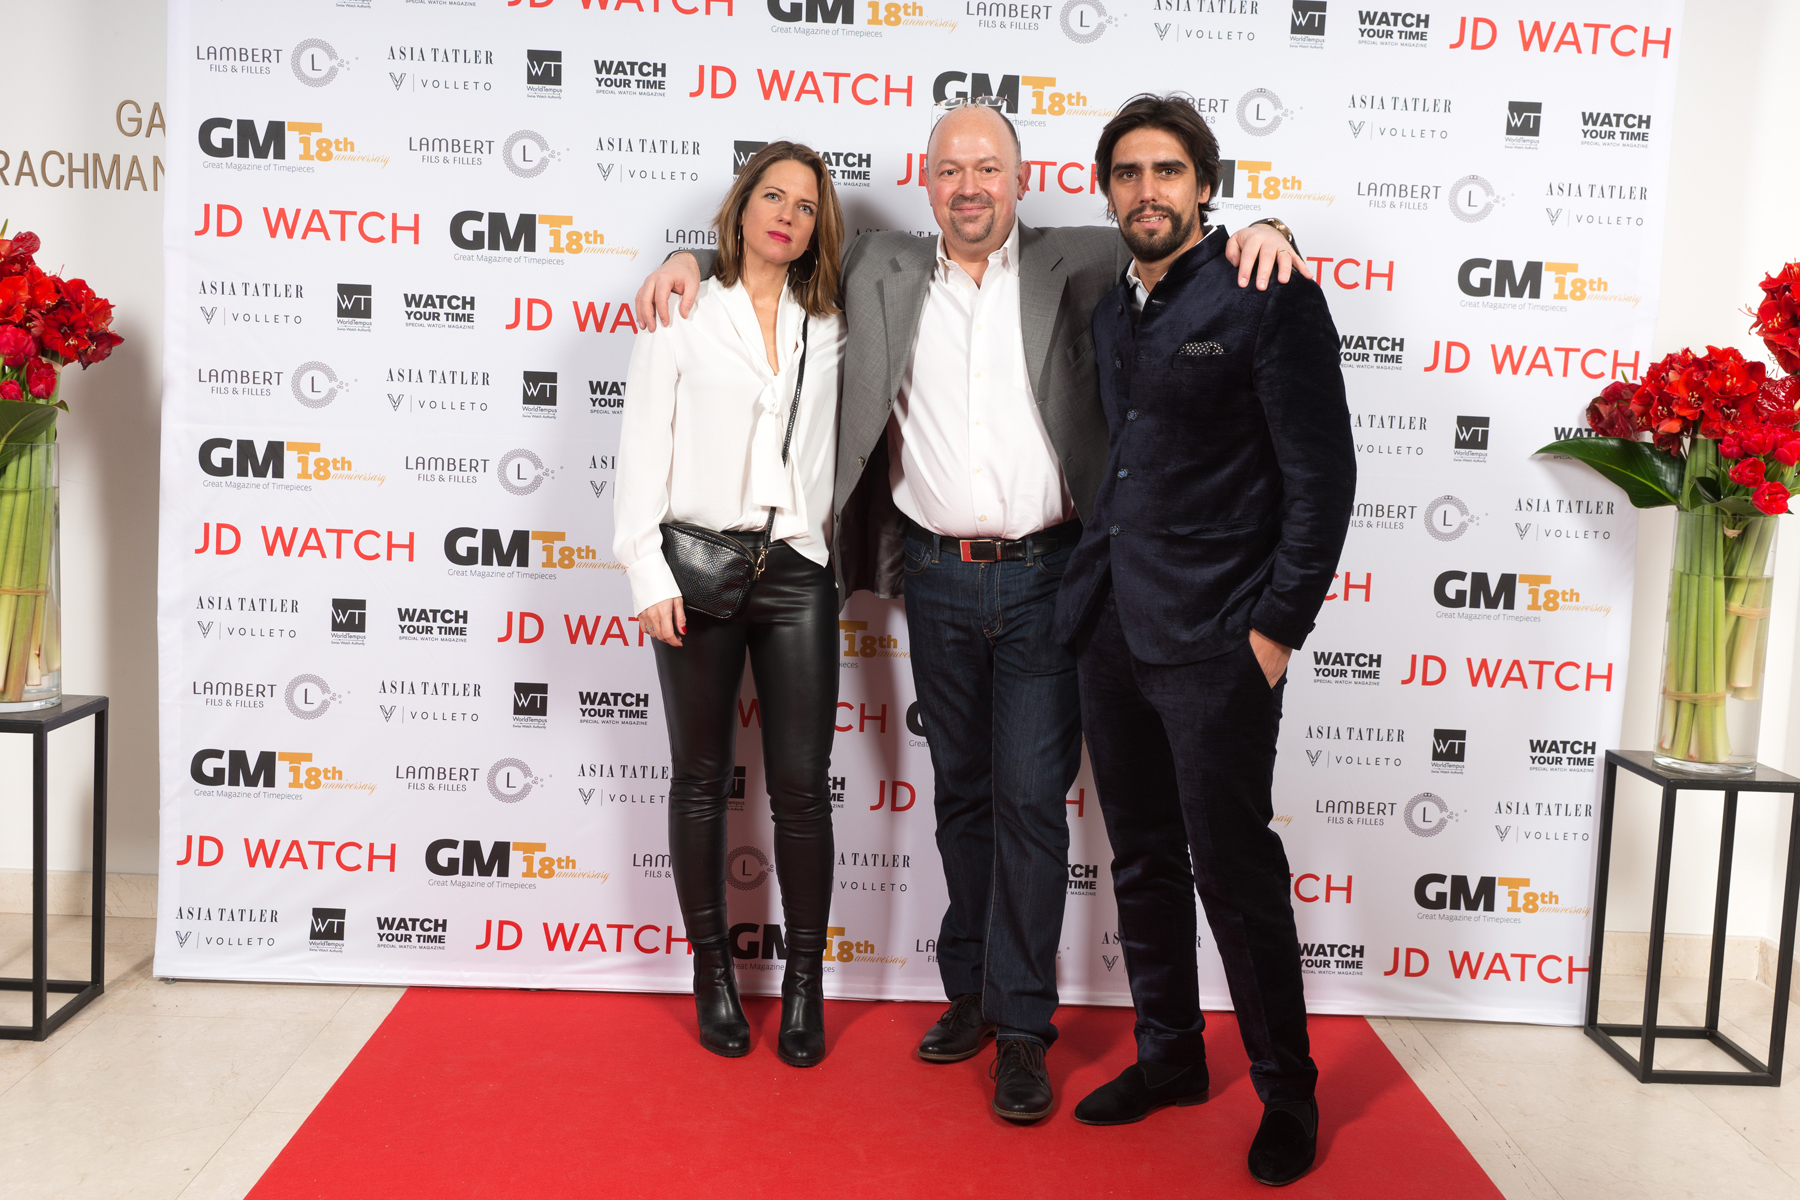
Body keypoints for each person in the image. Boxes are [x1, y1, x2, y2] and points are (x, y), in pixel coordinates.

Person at [635, 102, 1303, 1121]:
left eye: (989, 167)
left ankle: (1024, 1029)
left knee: (1032, 802)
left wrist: (1271, 231)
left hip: (1051, 576)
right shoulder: (881, 266)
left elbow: (1182, 240)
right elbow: (772, 247)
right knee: (963, 797)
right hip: (936, 576)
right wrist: (688, 258)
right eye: (951, 170)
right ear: (927, 182)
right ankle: (975, 996)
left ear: (1022, 179)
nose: (970, 186)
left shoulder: (1084, 260)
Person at [1052, 94, 1354, 1184]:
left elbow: (1323, 480)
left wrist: (1276, 631)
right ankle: (1170, 1055)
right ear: (1107, 192)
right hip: (1113, 628)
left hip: (1222, 638)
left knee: (1234, 868)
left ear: (1206, 186)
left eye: (1168, 171)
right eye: (1127, 173)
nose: (1147, 191)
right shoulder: (1112, 310)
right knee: (1141, 858)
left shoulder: (1271, 292)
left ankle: (1288, 1090)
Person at [613, 142, 847, 1068]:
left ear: (817, 228)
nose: (787, 214)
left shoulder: (831, 321)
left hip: (797, 573)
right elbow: (642, 444)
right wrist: (646, 571)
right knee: (700, 779)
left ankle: (804, 985)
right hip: (696, 571)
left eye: (805, 205)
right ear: (742, 208)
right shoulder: (682, 309)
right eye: (772, 196)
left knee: (803, 789)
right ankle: (711, 974)